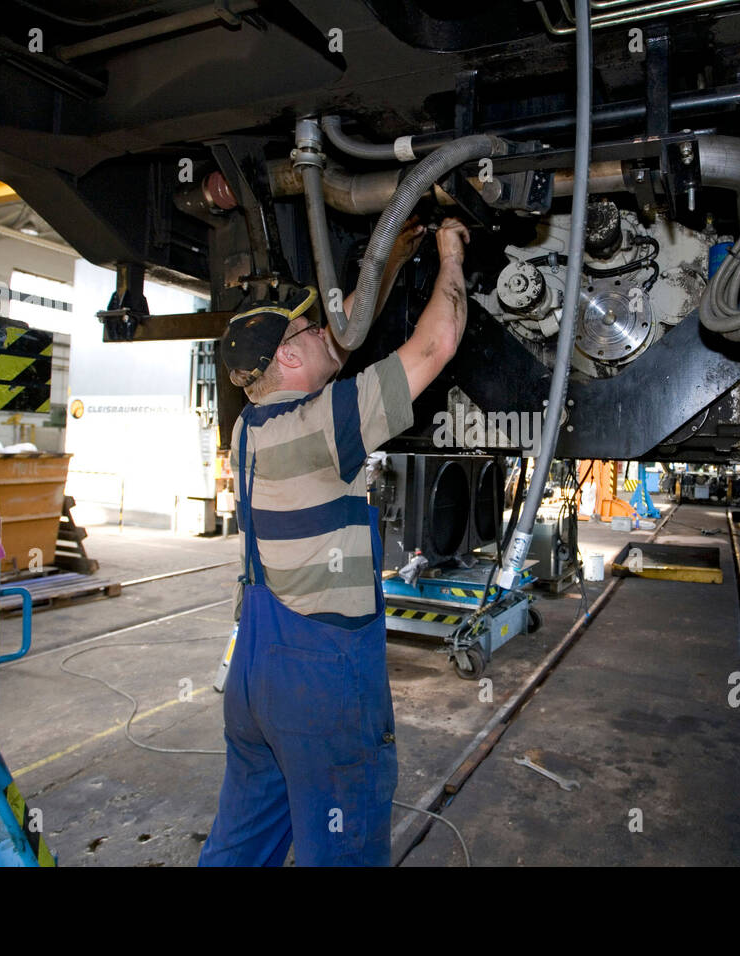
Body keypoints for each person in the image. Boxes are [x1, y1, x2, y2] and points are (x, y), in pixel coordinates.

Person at [199, 217, 472, 866]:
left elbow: (341, 345)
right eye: (310, 327)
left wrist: (385, 262)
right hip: (321, 684)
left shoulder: (249, 431)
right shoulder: (324, 425)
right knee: (342, 849)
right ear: (288, 356)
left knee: (240, 844)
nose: (328, 330)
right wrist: (450, 254)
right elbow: (435, 347)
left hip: (255, 674)